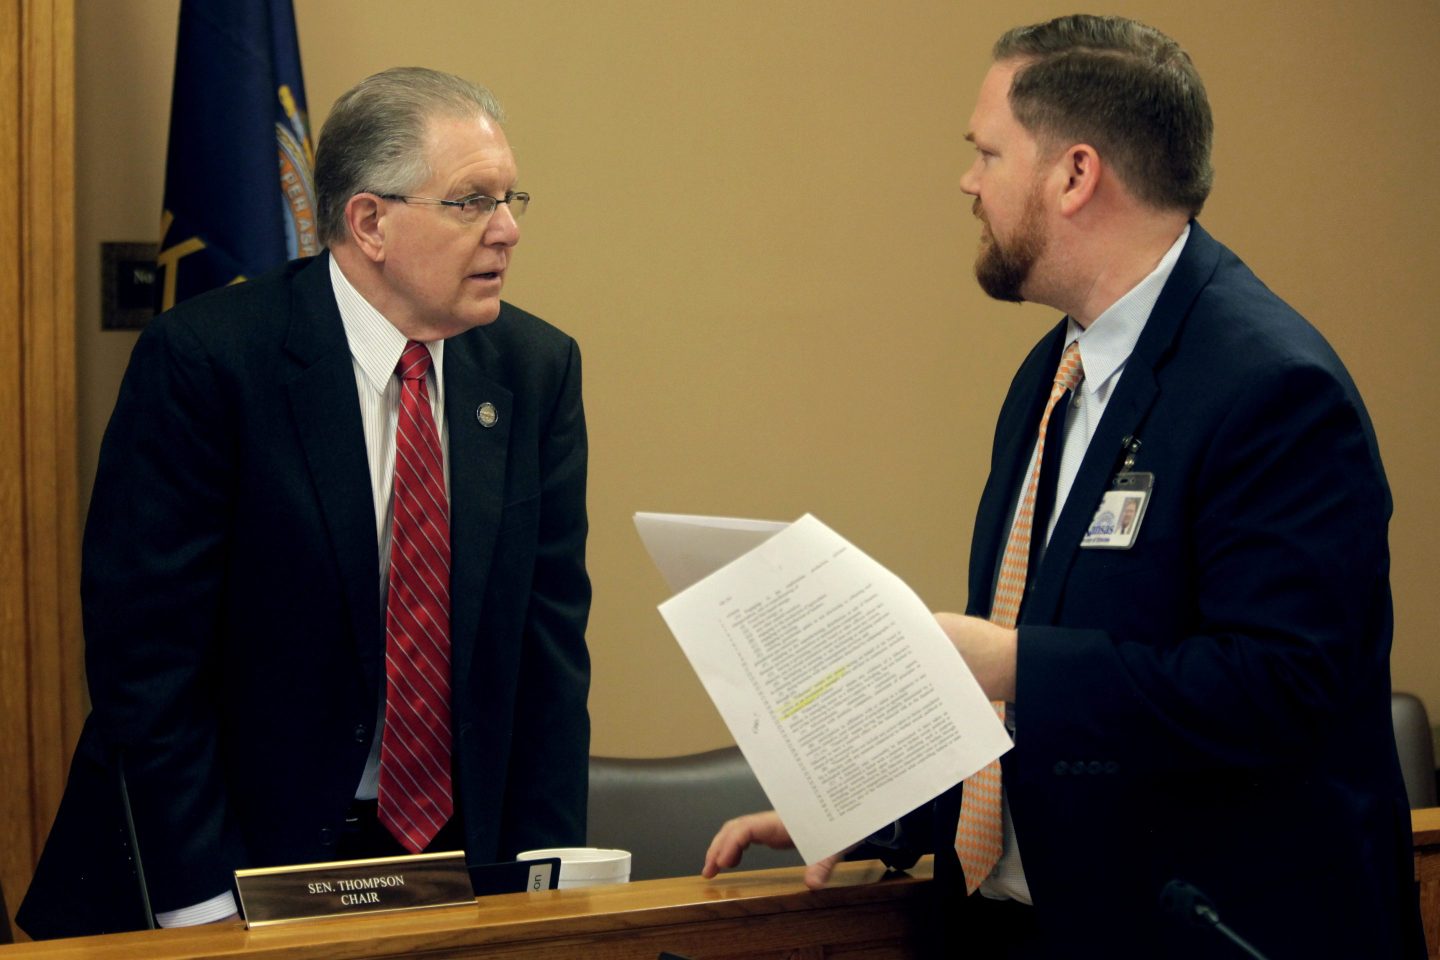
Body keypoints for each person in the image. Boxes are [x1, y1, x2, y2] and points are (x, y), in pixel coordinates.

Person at [704, 15, 1423, 958]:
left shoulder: (1272, 388)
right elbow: (1054, 723)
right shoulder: (1053, 374)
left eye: (988, 153)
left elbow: (1279, 689)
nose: (968, 181)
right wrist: (877, 808)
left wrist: (1009, 661)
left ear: (1076, 174)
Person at [19, 67, 591, 939]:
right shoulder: (210, 362)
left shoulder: (534, 370)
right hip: (233, 861)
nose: (508, 230)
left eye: (510, 198)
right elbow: (148, 665)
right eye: (472, 202)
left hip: (449, 862)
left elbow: (549, 653)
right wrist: (202, 903)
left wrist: (546, 894)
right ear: (370, 222)